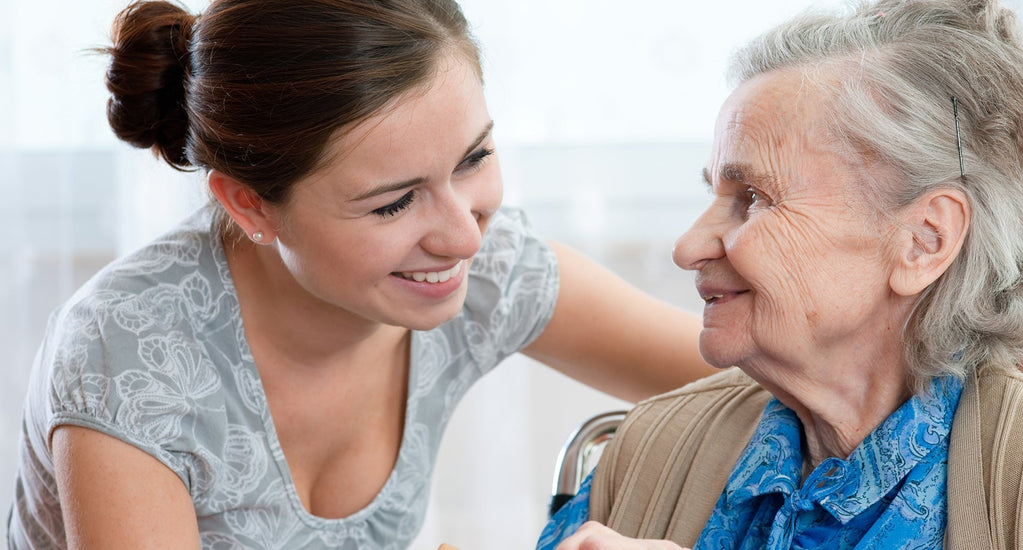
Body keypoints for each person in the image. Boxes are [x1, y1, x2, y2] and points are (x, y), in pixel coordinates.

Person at [5, 1, 719, 548]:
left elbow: (762, 378)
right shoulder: (127, 355)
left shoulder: (489, 267)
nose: (463, 234)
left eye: (473, 158)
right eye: (394, 203)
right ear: (249, 203)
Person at [538, 0, 1023, 548]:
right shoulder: (651, 450)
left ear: (923, 242)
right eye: (715, 193)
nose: (688, 248)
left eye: (753, 197)